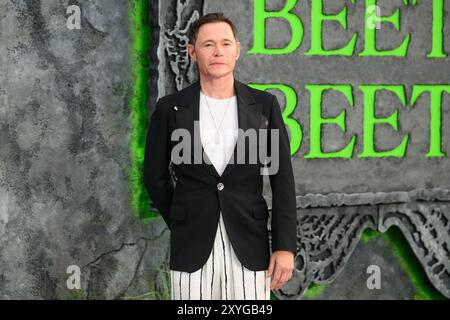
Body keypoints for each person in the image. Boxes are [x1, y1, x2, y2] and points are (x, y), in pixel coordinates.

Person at [143, 12, 297, 300]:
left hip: (250, 245)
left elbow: (282, 180)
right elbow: (154, 177)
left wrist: (285, 247)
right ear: (192, 52)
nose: (218, 52)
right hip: (192, 246)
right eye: (208, 44)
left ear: (237, 50)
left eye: (226, 44)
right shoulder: (170, 108)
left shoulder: (264, 105)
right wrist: (182, 218)